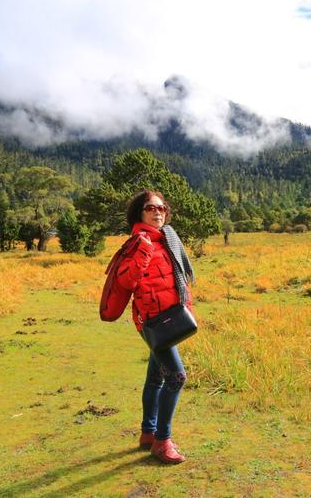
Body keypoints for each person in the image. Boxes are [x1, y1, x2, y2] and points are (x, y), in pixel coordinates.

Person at [116, 190, 194, 464]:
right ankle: (162, 441)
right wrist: (143, 252)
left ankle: (148, 433)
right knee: (177, 377)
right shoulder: (138, 243)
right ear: (140, 213)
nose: (157, 212)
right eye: (150, 208)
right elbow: (127, 282)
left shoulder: (166, 238)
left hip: (170, 318)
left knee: (155, 379)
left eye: (161, 208)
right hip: (154, 323)